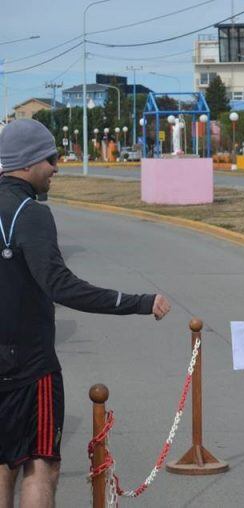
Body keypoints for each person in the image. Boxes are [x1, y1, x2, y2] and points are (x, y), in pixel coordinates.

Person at [0, 119, 171, 508]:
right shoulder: (31, 213)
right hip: (30, 365)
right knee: (40, 463)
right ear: (28, 162)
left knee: (1, 465)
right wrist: (138, 303)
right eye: (51, 159)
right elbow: (61, 286)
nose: (56, 168)